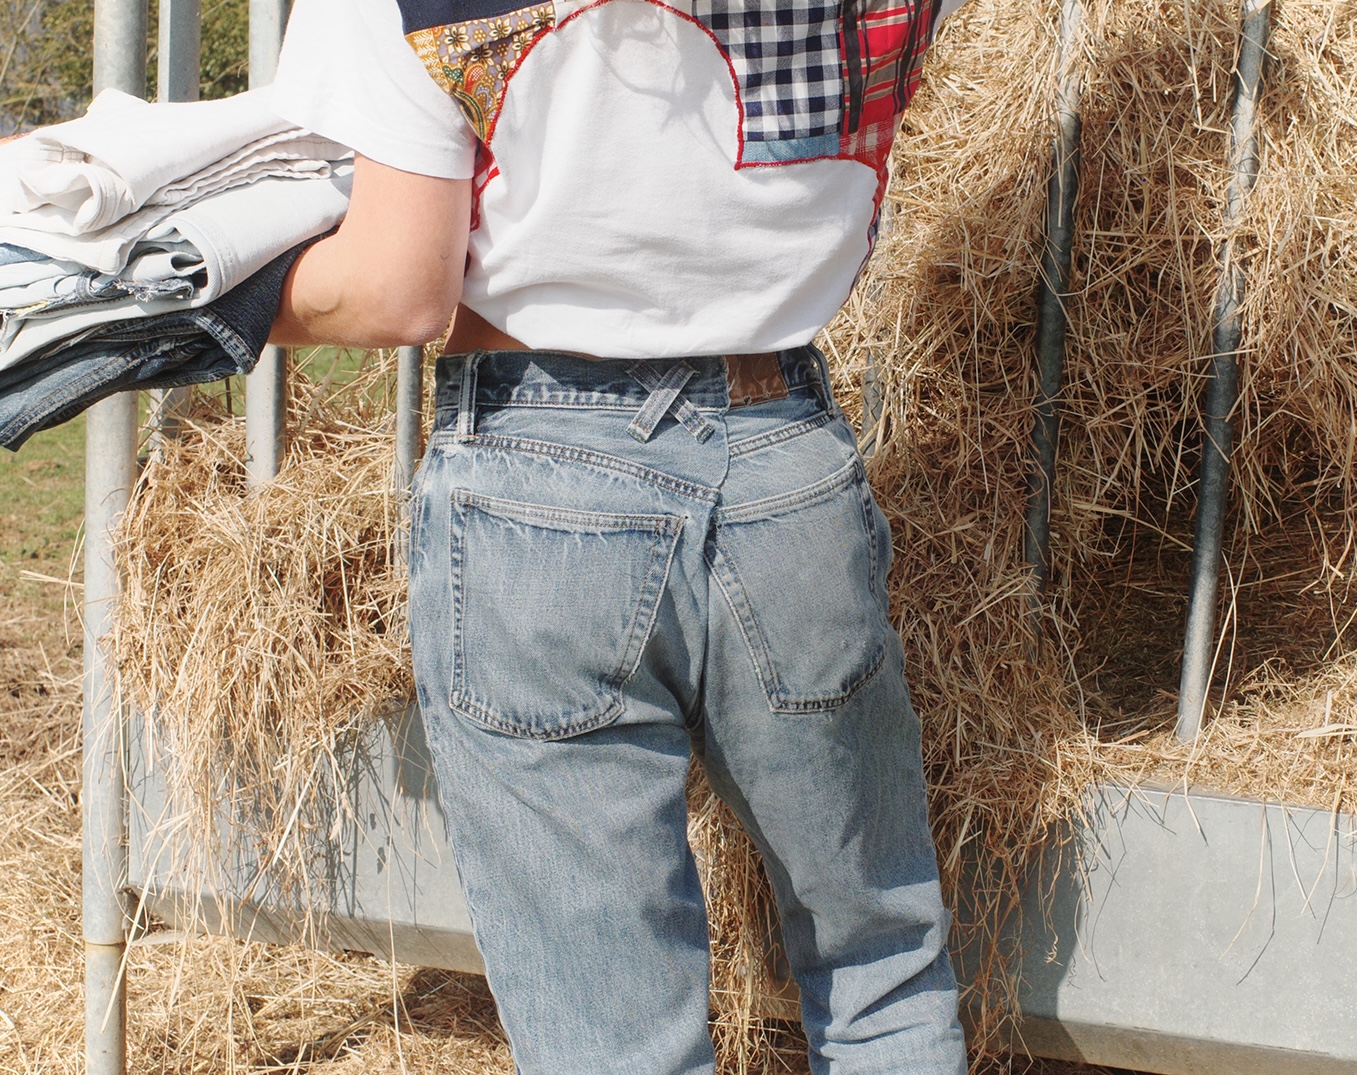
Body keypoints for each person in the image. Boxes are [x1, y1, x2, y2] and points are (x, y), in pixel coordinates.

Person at [266, 0, 969, 1071]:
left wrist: (203, 296)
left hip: (538, 481)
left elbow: (393, 289)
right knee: (880, 972)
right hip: (784, 460)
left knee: (615, 1041)